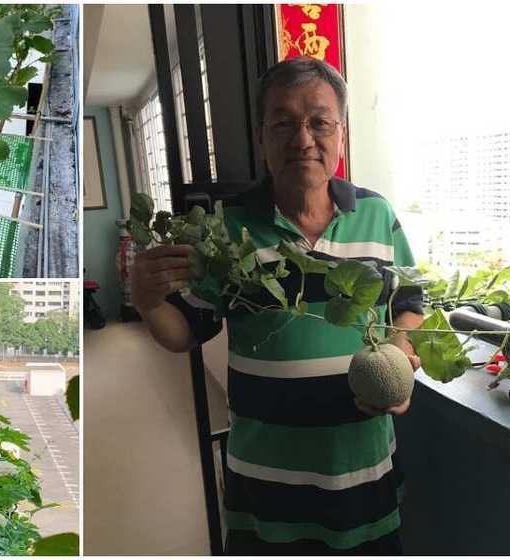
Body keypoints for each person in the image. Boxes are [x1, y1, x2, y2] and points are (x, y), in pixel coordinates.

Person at [130, 56, 424, 554]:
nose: (303, 139)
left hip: (361, 466)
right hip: (265, 474)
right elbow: (185, 332)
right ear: (262, 137)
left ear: (341, 133)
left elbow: (409, 301)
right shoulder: (226, 228)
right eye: (283, 123)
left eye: (319, 121)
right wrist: (146, 298)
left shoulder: (377, 214)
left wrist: (399, 354)